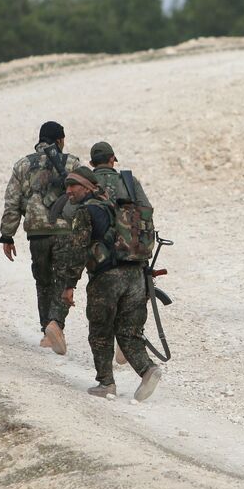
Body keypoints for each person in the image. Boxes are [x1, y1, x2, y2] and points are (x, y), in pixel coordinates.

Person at [58, 166, 162, 401]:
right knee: (129, 331)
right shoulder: (117, 206)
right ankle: (148, 370)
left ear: (87, 186)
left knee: (100, 331)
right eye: (67, 186)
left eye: (73, 185)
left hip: (107, 279)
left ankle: (106, 383)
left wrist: (68, 285)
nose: (69, 190)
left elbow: (77, 251)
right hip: (135, 275)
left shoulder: (86, 211)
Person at [0, 121, 81, 355]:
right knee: (64, 281)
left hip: (37, 234)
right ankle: (57, 324)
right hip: (65, 231)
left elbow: (12, 202)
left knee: (43, 281)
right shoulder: (72, 163)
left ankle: (47, 330)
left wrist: (7, 234)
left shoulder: (23, 165)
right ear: (61, 140)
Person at [89, 141, 151, 367]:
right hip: (132, 258)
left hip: (101, 260)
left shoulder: (88, 183)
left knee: (101, 318)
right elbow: (146, 213)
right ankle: (128, 347)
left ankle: (106, 380)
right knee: (130, 309)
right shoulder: (129, 181)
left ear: (91, 163)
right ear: (113, 159)